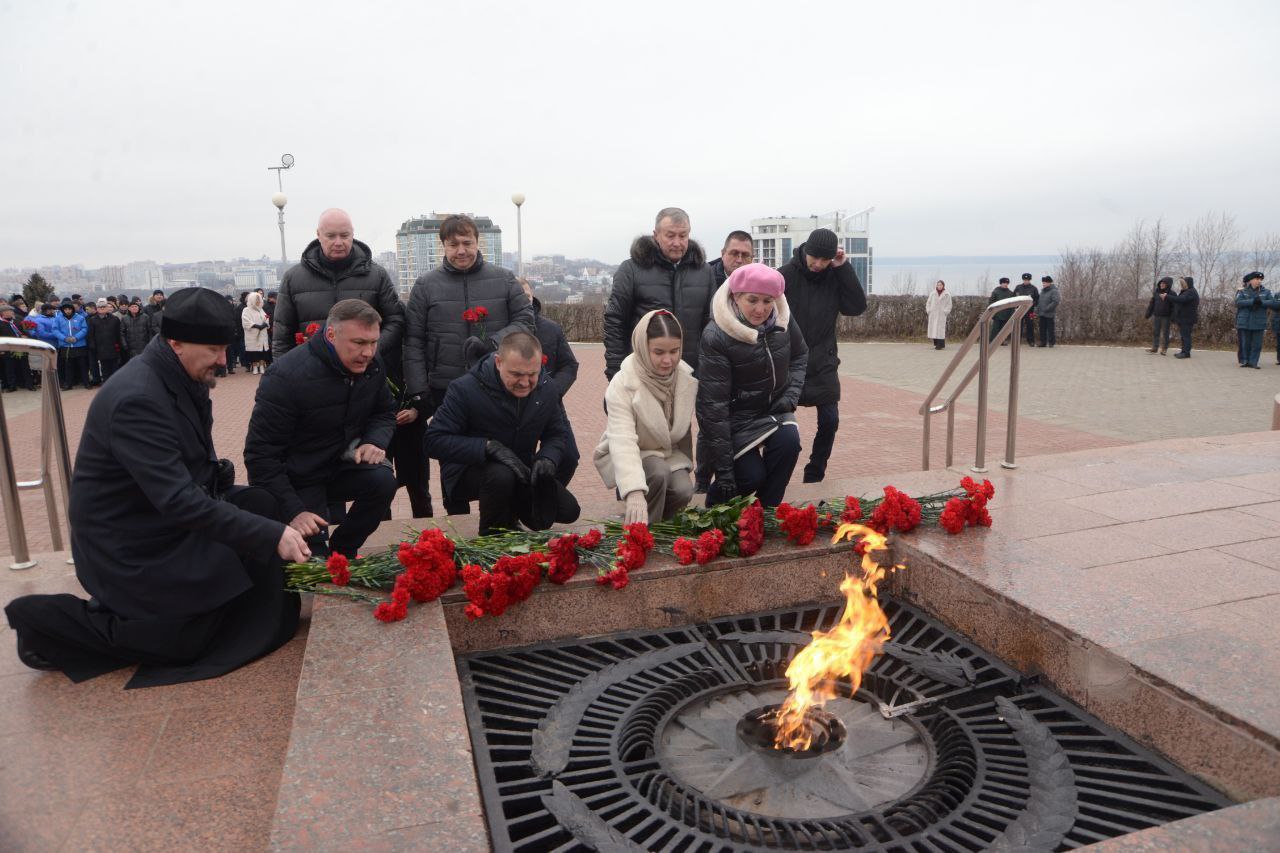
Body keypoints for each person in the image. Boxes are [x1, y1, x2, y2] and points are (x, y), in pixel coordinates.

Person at [4, 287, 307, 688]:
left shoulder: (180, 373)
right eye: (215, 349)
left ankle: (221, 603)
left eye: (225, 347)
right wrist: (272, 536)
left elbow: (196, 469)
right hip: (131, 545)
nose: (222, 359)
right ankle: (45, 622)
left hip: (161, 520)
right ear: (176, 342)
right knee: (183, 643)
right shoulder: (138, 398)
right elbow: (178, 500)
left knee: (260, 504)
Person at [245, 300, 398, 558]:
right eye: (359, 343)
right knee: (311, 563)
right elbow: (260, 456)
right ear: (330, 334)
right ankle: (317, 554)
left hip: (338, 466)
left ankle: (344, 549)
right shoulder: (286, 377)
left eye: (373, 342)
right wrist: (293, 510)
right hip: (297, 480)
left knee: (382, 481)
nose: (368, 352)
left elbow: (384, 411)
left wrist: (374, 440)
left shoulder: (372, 364)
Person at [424, 331, 580, 535]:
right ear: (498, 362)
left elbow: (557, 434)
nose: (525, 383)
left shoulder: (546, 388)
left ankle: (511, 512)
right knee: (501, 475)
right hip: (470, 471)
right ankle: (493, 534)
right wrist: (487, 447)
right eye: (516, 374)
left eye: (532, 374)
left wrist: (547, 459)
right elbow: (433, 441)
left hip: (519, 468)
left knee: (568, 510)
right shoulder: (464, 389)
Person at [698, 263, 808, 508]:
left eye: (768, 301)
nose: (761, 310)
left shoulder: (782, 320)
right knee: (750, 475)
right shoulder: (717, 335)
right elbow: (713, 408)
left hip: (774, 409)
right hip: (735, 418)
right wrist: (724, 472)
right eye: (753, 300)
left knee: (789, 445)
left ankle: (765, 512)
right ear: (736, 297)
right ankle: (715, 506)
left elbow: (800, 355)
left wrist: (791, 396)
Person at [404, 213, 533, 413]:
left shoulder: (504, 279)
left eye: (467, 243)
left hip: (496, 379)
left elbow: (526, 321)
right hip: (444, 385)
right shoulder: (425, 285)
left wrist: (493, 342)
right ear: (444, 246)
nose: (461, 251)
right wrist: (418, 389)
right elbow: (413, 340)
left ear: (477, 242)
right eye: (453, 245)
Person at [776, 228, 866, 483]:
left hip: (823, 361)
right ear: (806, 251)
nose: (818, 264)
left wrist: (843, 268)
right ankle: (774, 475)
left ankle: (815, 473)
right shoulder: (785, 276)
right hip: (788, 362)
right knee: (777, 425)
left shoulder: (834, 276)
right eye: (814, 258)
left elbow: (856, 307)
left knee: (829, 421)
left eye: (824, 260)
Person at [595, 310, 697, 524]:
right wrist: (633, 492)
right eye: (658, 352)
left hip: (666, 452)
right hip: (632, 452)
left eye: (674, 351)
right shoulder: (623, 383)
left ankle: (656, 527)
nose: (668, 360)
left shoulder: (684, 378)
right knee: (658, 473)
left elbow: (683, 432)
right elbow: (623, 440)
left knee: (684, 490)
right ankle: (640, 535)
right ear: (642, 346)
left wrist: (688, 465)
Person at [272, 208, 404, 360]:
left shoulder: (377, 275)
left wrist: (369, 350)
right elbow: (282, 338)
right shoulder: (293, 278)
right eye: (331, 236)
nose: (338, 242)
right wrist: (283, 376)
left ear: (352, 234)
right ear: (318, 235)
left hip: (366, 370)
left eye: (344, 235)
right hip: (313, 373)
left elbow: (396, 321)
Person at [604, 207, 716, 380]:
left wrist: (707, 369)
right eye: (670, 236)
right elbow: (615, 322)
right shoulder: (631, 270)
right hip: (643, 372)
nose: (677, 242)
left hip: (690, 374)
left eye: (683, 235)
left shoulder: (705, 272)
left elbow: (710, 326)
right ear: (656, 235)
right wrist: (616, 372)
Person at [519, 277, 578, 398]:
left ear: (532, 296)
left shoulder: (552, 328)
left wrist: (553, 391)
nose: (524, 301)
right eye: (518, 297)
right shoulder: (500, 328)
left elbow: (569, 365)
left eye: (527, 296)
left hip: (547, 404)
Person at [1235, 272, 1276, 369]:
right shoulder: (1243, 291)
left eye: (1260, 280)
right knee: (1246, 343)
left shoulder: (1266, 292)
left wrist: (1261, 302)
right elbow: (1238, 302)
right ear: (1251, 280)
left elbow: (1273, 302)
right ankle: (1246, 361)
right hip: (1246, 321)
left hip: (1259, 321)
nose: (1259, 281)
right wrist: (1252, 301)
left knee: (1257, 344)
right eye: (1257, 279)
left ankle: (1254, 362)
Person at [53, 299, 90, 390]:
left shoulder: (80, 318)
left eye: (69, 309)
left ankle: (86, 383)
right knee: (68, 366)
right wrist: (64, 338)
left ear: (72, 309)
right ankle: (68, 384)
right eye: (65, 309)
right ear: (63, 310)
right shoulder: (58, 318)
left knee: (83, 365)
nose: (68, 311)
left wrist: (76, 337)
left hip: (79, 345)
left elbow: (84, 329)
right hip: (66, 346)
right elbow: (55, 330)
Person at [86, 298, 122, 386]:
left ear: (107, 307)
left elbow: (118, 333)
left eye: (104, 306)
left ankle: (116, 383)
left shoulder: (114, 319)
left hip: (113, 346)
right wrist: (92, 346)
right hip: (100, 348)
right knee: (104, 366)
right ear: (97, 308)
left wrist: (119, 345)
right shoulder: (92, 320)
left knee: (115, 366)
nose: (102, 308)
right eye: (100, 307)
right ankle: (106, 383)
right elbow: (90, 335)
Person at [0, 304, 35, 392]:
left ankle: (29, 384)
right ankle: (12, 386)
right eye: (10, 311)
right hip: (8, 349)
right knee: (10, 368)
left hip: (21, 347)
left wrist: (26, 336)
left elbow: (26, 331)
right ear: (3, 313)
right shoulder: (1, 324)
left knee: (25, 367)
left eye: (12, 311)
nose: (12, 312)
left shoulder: (17, 321)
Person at [241, 291, 271, 374]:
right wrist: (256, 326)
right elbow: (246, 321)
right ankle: (254, 367)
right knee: (254, 353)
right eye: (256, 300)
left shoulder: (261, 310)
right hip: (252, 335)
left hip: (262, 334)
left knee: (262, 352)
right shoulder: (246, 310)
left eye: (259, 300)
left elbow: (266, 318)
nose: (258, 302)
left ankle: (261, 366)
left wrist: (265, 324)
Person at [1169, 276, 1199, 359]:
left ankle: (1186, 353)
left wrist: (1168, 297)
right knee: (1183, 336)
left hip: (1187, 318)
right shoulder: (1187, 291)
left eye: (1183, 283)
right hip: (1183, 318)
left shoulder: (1191, 292)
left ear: (1188, 283)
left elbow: (1181, 299)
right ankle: (1183, 351)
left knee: (1186, 336)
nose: (1182, 285)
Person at [1144, 277, 1176, 355]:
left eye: (1163, 283)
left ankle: (1164, 349)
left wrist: (1173, 317)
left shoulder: (1172, 294)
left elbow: (1175, 307)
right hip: (1157, 316)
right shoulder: (1156, 292)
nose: (1161, 284)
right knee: (1156, 332)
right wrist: (1148, 314)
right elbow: (1152, 304)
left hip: (1166, 317)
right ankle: (1155, 348)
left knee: (1165, 333)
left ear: (1168, 285)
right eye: (1161, 283)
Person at [925, 280, 952, 350]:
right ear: (936, 286)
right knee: (934, 329)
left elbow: (949, 304)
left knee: (940, 330)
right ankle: (936, 344)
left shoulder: (947, 294)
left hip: (941, 314)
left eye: (940, 285)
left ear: (943, 286)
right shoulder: (933, 293)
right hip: (933, 314)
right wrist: (929, 310)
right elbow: (928, 302)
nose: (939, 286)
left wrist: (945, 312)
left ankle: (940, 345)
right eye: (938, 285)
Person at [1013, 274, 1040, 345]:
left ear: (1030, 280)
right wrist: (1015, 306)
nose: (1026, 281)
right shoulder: (1018, 287)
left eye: (1027, 280)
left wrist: (1033, 304)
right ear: (1023, 280)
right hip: (1019, 310)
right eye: (1025, 280)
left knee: (1030, 325)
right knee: (1018, 325)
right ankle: (1017, 340)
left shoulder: (1034, 288)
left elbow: (1037, 299)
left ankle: (1031, 341)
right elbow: (1013, 297)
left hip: (1030, 311)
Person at [988, 278, 1015, 343]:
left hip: (1007, 314)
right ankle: (992, 341)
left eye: (1007, 283)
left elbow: (1012, 304)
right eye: (1004, 283)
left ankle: (1002, 341)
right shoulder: (996, 292)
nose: (1005, 284)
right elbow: (991, 303)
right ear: (1001, 283)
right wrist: (992, 313)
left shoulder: (1010, 293)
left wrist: (1011, 313)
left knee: (1003, 329)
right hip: (997, 314)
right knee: (995, 329)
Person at [1036, 276, 1060, 347]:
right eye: (1043, 283)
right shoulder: (1042, 291)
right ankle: (1043, 342)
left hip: (1049, 313)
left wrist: (1047, 308)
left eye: (1045, 283)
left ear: (1049, 283)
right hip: (1041, 313)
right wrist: (1037, 309)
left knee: (1050, 329)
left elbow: (1055, 301)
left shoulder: (1054, 291)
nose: (1044, 284)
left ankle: (1051, 342)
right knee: (1042, 329)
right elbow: (1039, 301)